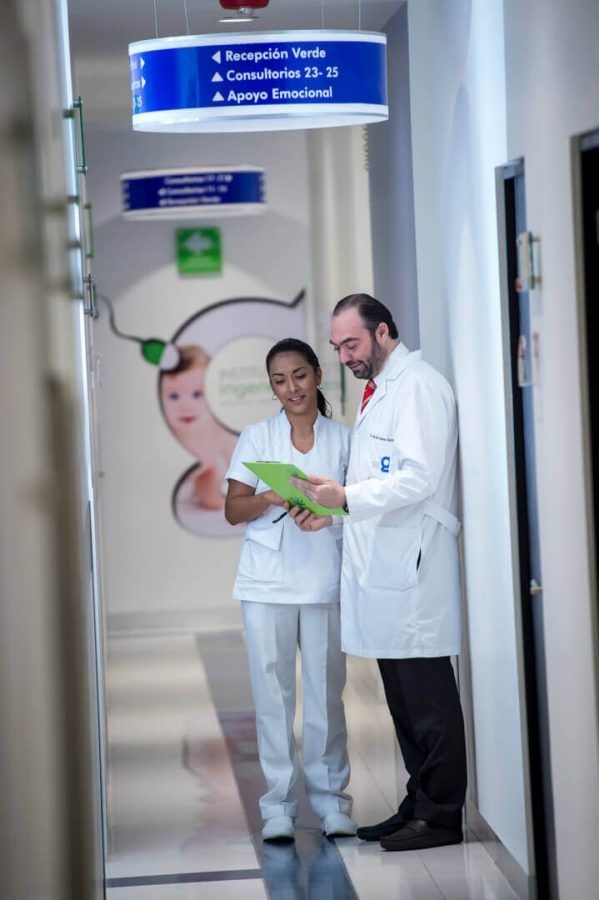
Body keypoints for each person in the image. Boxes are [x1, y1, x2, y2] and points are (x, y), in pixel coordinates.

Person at [289, 295, 467, 852]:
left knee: (429, 704)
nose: (344, 356)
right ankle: (418, 803)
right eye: (338, 346)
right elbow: (377, 478)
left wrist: (345, 497)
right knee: (404, 704)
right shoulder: (382, 390)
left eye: (352, 344)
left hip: (413, 569)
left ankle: (441, 815)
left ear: (383, 331)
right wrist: (334, 508)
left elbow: (419, 478)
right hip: (387, 568)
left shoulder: (419, 387)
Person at [224, 338, 356, 842]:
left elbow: (359, 507)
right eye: (280, 381)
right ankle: (277, 805)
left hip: (323, 579)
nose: (291, 388)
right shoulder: (257, 437)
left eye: (299, 375)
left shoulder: (344, 440)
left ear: (317, 374)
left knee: (326, 694)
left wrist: (328, 512)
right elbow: (233, 509)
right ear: (272, 387)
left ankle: (332, 802)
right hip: (265, 583)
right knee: (272, 696)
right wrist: (271, 496)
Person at [160, 345, 237, 510]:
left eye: (197, 394)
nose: (186, 406)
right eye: (173, 396)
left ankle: (223, 504)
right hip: (170, 479)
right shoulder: (168, 432)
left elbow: (236, 457)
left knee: (217, 471)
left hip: (205, 476)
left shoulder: (217, 428)